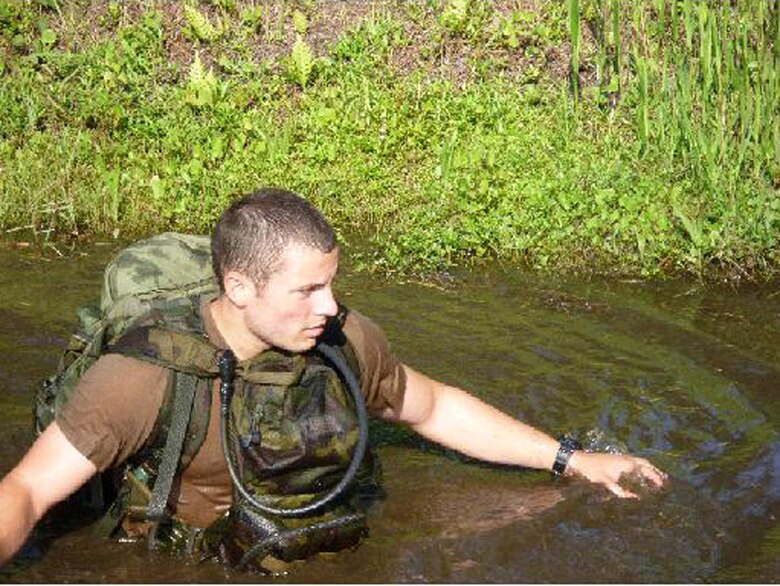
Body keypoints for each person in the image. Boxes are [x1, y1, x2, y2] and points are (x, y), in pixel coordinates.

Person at [0, 187, 666, 571]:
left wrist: (572, 460)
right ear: (238, 286)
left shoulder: (342, 337)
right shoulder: (142, 378)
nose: (329, 305)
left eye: (331, 283)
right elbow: (27, 491)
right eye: (306, 289)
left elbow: (431, 408)